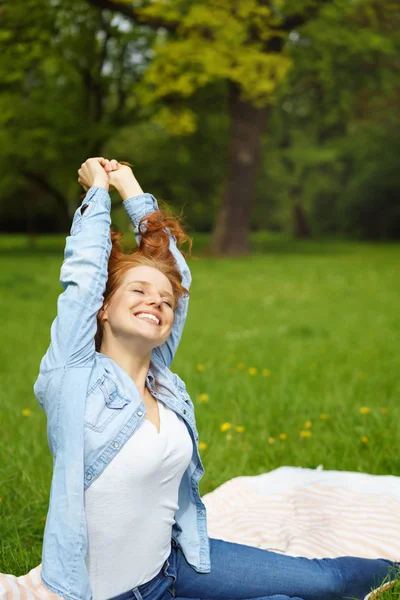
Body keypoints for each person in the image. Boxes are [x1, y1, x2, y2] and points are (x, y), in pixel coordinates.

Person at [33, 157, 398, 600]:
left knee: (327, 581)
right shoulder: (73, 379)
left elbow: (177, 276)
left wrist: (130, 187)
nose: (157, 302)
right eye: (139, 291)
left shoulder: (160, 379)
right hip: (115, 594)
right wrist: (97, 193)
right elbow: (84, 276)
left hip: (174, 565)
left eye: (164, 301)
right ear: (103, 308)